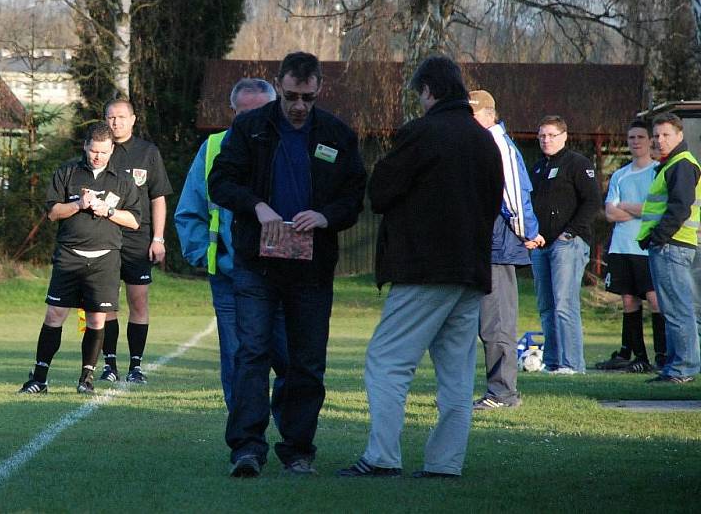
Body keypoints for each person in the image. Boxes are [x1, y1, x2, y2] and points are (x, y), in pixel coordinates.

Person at [337, 57, 503, 478]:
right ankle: (445, 463)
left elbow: (382, 191)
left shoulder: (423, 133)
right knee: (456, 375)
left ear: (429, 90)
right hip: (471, 272)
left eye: (419, 94)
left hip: (424, 268)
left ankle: (382, 457)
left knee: (387, 361)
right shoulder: (486, 142)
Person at [208, 52, 366, 477]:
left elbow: (354, 197)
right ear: (279, 85)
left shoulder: (337, 134)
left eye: (307, 98)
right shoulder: (249, 128)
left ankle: (298, 449)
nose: (299, 106)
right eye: (292, 96)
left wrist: (325, 216)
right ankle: (246, 447)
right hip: (256, 265)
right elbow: (220, 182)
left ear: (319, 90)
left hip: (311, 271)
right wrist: (256, 206)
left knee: (307, 361)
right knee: (252, 354)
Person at [174, 78, 288, 413]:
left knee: (289, 361)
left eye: (262, 112)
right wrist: (209, 256)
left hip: (283, 275)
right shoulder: (212, 148)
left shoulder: (289, 146)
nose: (253, 122)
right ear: (233, 112)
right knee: (239, 361)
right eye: (244, 114)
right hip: (230, 277)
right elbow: (188, 211)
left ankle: (290, 440)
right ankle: (245, 442)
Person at [18, 123, 141, 395]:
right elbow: (52, 212)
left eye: (104, 152)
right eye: (94, 150)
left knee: (97, 320)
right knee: (54, 314)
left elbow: (133, 221)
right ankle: (39, 378)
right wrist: (78, 205)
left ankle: (86, 378)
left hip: (105, 259)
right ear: (86, 146)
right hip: (69, 256)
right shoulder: (67, 173)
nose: (98, 156)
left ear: (112, 150)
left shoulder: (123, 180)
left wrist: (108, 210)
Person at [468, 90, 544, 411]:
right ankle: (496, 391)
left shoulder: (498, 145)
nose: (468, 121)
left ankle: (503, 393)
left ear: (489, 114)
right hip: (488, 244)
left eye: (473, 115)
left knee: (496, 322)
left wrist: (528, 231)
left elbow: (513, 194)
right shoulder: (486, 144)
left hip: (499, 244)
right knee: (486, 321)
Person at [98, 99, 172, 384]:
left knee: (138, 300)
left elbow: (158, 198)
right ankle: (109, 365)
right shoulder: (100, 150)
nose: (115, 122)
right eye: (110, 117)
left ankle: (136, 366)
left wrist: (158, 238)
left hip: (138, 239)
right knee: (107, 303)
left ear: (133, 119)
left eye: (120, 117)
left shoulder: (147, 152)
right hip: (104, 237)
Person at [529, 115, 601, 374]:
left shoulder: (578, 164)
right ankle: (553, 361)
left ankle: (572, 364)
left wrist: (570, 233)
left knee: (564, 303)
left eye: (551, 135)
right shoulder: (537, 168)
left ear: (564, 136)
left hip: (567, 244)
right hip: (541, 245)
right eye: (542, 136)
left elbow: (593, 201)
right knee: (546, 306)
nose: (546, 140)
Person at [596, 120, 666, 373]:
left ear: (650, 141)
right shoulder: (620, 174)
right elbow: (610, 214)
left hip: (646, 248)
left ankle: (662, 355)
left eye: (640, 137)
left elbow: (655, 211)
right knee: (628, 300)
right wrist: (634, 209)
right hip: (621, 247)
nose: (635, 142)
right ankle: (639, 357)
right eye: (631, 138)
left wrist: (626, 205)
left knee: (654, 299)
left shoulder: (658, 172)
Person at [637, 113, 701, 384]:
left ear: (680, 136)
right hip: (674, 244)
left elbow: (679, 206)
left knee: (678, 309)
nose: (660, 140)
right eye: (657, 136)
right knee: (676, 307)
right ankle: (676, 366)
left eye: (666, 135)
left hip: (673, 245)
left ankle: (683, 368)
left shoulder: (681, 164)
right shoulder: (673, 163)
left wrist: (658, 236)